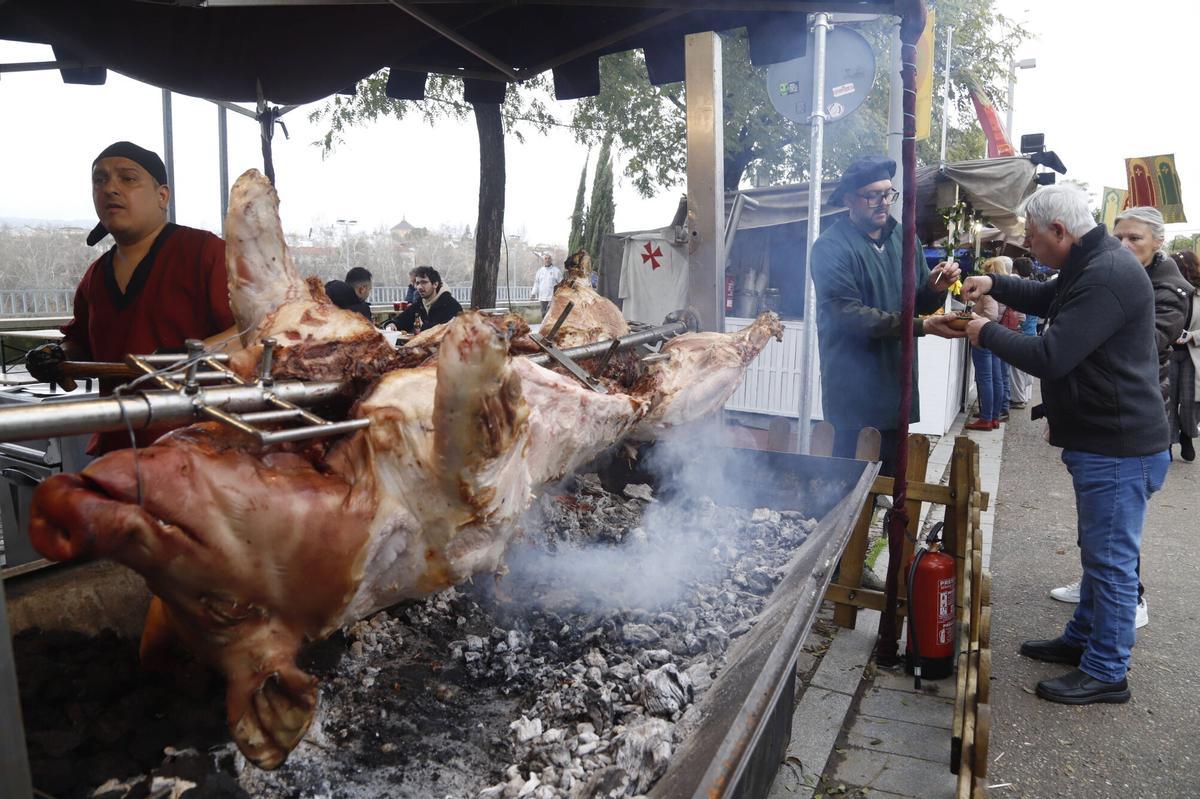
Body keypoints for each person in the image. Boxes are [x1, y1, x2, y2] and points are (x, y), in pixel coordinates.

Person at [927, 185, 1170, 705]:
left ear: (1060, 232)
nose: (1031, 251)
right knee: (1097, 551)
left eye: (1034, 242)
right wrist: (993, 282)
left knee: (1110, 562)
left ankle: (1108, 670)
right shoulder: (1092, 261)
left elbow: (1051, 356)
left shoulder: (1105, 273)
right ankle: (1083, 640)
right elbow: (1045, 296)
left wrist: (980, 330)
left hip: (1118, 445)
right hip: (1106, 440)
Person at [25, 140, 237, 454]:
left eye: (127, 178)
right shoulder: (95, 277)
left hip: (201, 450)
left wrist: (187, 358)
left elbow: (255, 333)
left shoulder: (206, 252)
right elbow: (81, 343)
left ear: (162, 195)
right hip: (117, 448)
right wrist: (58, 356)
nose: (110, 188)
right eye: (100, 180)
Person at [1047, 206, 1189, 620]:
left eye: (1136, 239)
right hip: (1100, 417)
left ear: (1159, 242)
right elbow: (1053, 297)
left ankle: (1131, 602)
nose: (1125, 245)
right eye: (1120, 236)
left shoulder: (1168, 290)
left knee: (1114, 538)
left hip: (1131, 420)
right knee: (1100, 533)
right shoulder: (1115, 272)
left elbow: (1136, 342)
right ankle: (1095, 601)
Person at [810, 155, 960, 475]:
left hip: (897, 386)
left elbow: (916, 304)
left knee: (893, 485)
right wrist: (922, 326)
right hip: (852, 394)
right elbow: (850, 315)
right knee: (848, 487)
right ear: (849, 199)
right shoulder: (830, 248)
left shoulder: (905, 240)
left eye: (888, 193)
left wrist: (936, 288)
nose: (883, 203)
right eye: (872, 195)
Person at [1168, 251, 1200, 462]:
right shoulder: (1166, 290)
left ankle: (1187, 434)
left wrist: (1192, 336)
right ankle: (1167, 442)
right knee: (1168, 400)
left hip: (1192, 354)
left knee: (1189, 400)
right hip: (1167, 352)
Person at [384, 265, 462, 333]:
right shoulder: (419, 304)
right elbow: (403, 320)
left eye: (424, 282)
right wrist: (392, 324)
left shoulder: (452, 306)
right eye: (417, 283)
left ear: (435, 284)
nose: (419, 287)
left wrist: (423, 327)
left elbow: (447, 331)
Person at [1007, 257, 1040, 408]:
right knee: (1025, 369)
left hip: (1021, 333)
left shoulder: (1019, 288)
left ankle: (1018, 399)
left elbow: (1020, 316)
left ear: (1015, 270)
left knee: (1017, 370)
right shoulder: (1035, 286)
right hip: (1031, 331)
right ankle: (1024, 397)